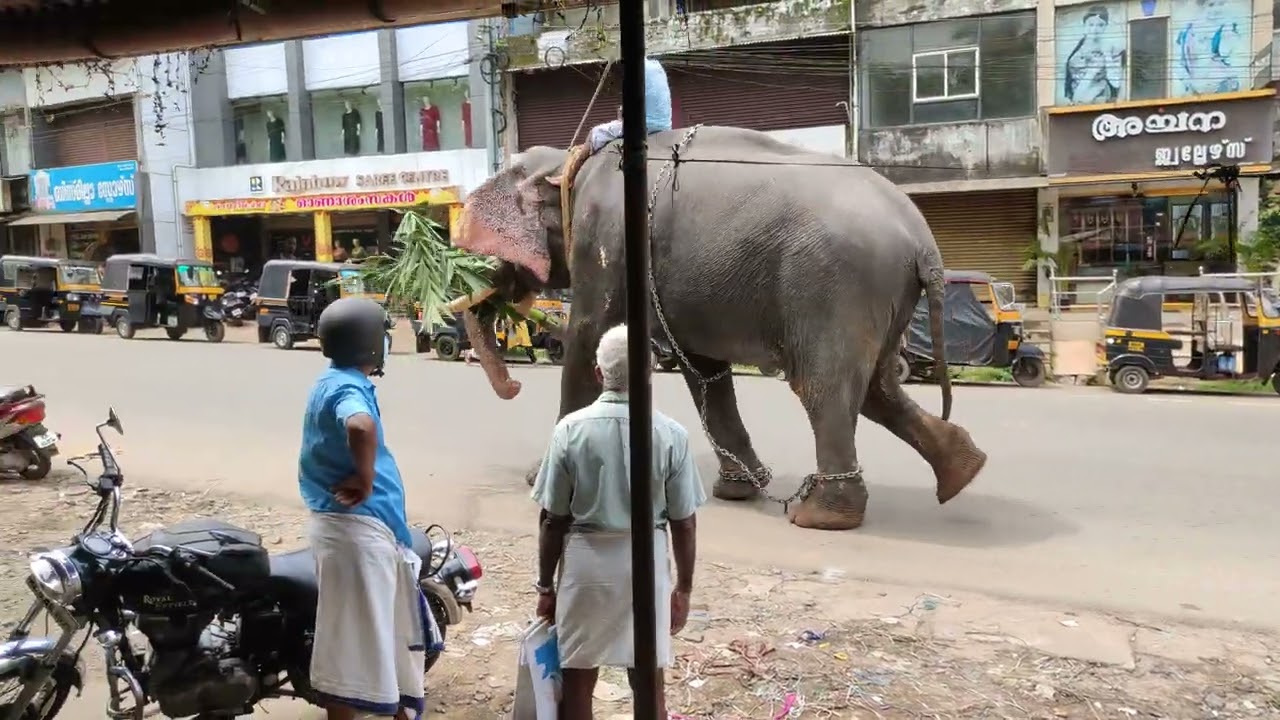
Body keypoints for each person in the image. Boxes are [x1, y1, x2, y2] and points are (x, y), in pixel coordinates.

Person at [530, 324, 706, 720]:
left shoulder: (570, 430)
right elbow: (685, 522)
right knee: (648, 682)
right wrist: (683, 589)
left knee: (577, 681)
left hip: (585, 564)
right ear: (650, 373)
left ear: (598, 374)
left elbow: (552, 520)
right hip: (646, 565)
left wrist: (545, 585)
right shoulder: (671, 435)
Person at [298, 297, 442, 720]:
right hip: (356, 535)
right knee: (361, 644)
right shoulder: (347, 387)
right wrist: (364, 478)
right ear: (370, 343)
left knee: (367, 640)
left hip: (353, 531)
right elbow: (360, 424)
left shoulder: (329, 380)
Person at [585, 57, 672, 154]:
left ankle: (577, 163)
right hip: (665, 125)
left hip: (644, 126)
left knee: (595, 132)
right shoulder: (657, 66)